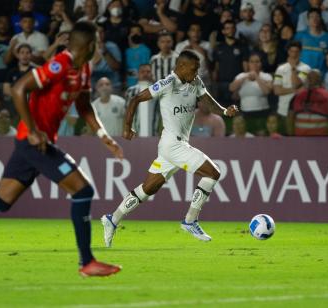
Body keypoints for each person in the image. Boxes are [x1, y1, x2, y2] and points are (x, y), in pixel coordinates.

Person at [0, 22, 124, 277]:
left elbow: (83, 105)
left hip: (37, 142)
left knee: (0, 200)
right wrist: (33, 130)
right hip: (33, 142)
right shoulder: (59, 64)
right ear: (88, 45)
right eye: (96, 42)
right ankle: (87, 262)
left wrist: (103, 134)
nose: (98, 47)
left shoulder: (82, 70)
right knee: (83, 191)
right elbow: (19, 89)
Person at [101, 50, 239, 248]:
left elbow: (207, 100)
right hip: (172, 145)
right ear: (181, 67)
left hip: (174, 145)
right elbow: (136, 99)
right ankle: (190, 220)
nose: (196, 73)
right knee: (213, 172)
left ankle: (112, 218)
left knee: (147, 189)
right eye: (193, 69)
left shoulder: (195, 82)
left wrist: (225, 111)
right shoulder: (167, 84)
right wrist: (127, 126)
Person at [229, 53, 273, 135]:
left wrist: (257, 77)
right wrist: (245, 77)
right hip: (245, 112)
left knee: (261, 135)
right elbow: (231, 88)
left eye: (257, 61)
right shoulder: (241, 76)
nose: (254, 64)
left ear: (261, 63)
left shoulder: (266, 76)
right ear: (248, 64)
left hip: (262, 112)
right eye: (252, 62)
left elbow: (267, 91)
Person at [287, 69, 328, 136]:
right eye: (309, 77)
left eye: (313, 77)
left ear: (319, 80)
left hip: (321, 141)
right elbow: (290, 120)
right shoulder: (296, 97)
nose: (310, 79)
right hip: (300, 140)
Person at [273, 41, 310, 127]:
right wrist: (295, 90)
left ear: (300, 53)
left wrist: (293, 69)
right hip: (283, 110)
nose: (294, 54)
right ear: (288, 52)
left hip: (299, 110)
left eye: (296, 52)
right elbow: (277, 91)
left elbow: (296, 83)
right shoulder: (280, 69)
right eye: (292, 51)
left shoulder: (306, 68)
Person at [294, 8, 328, 74]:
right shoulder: (300, 36)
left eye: (317, 16)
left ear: (321, 19)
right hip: (303, 74)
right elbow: (294, 54)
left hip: (321, 75)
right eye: (311, 17)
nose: (314, 19)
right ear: (308, 20)